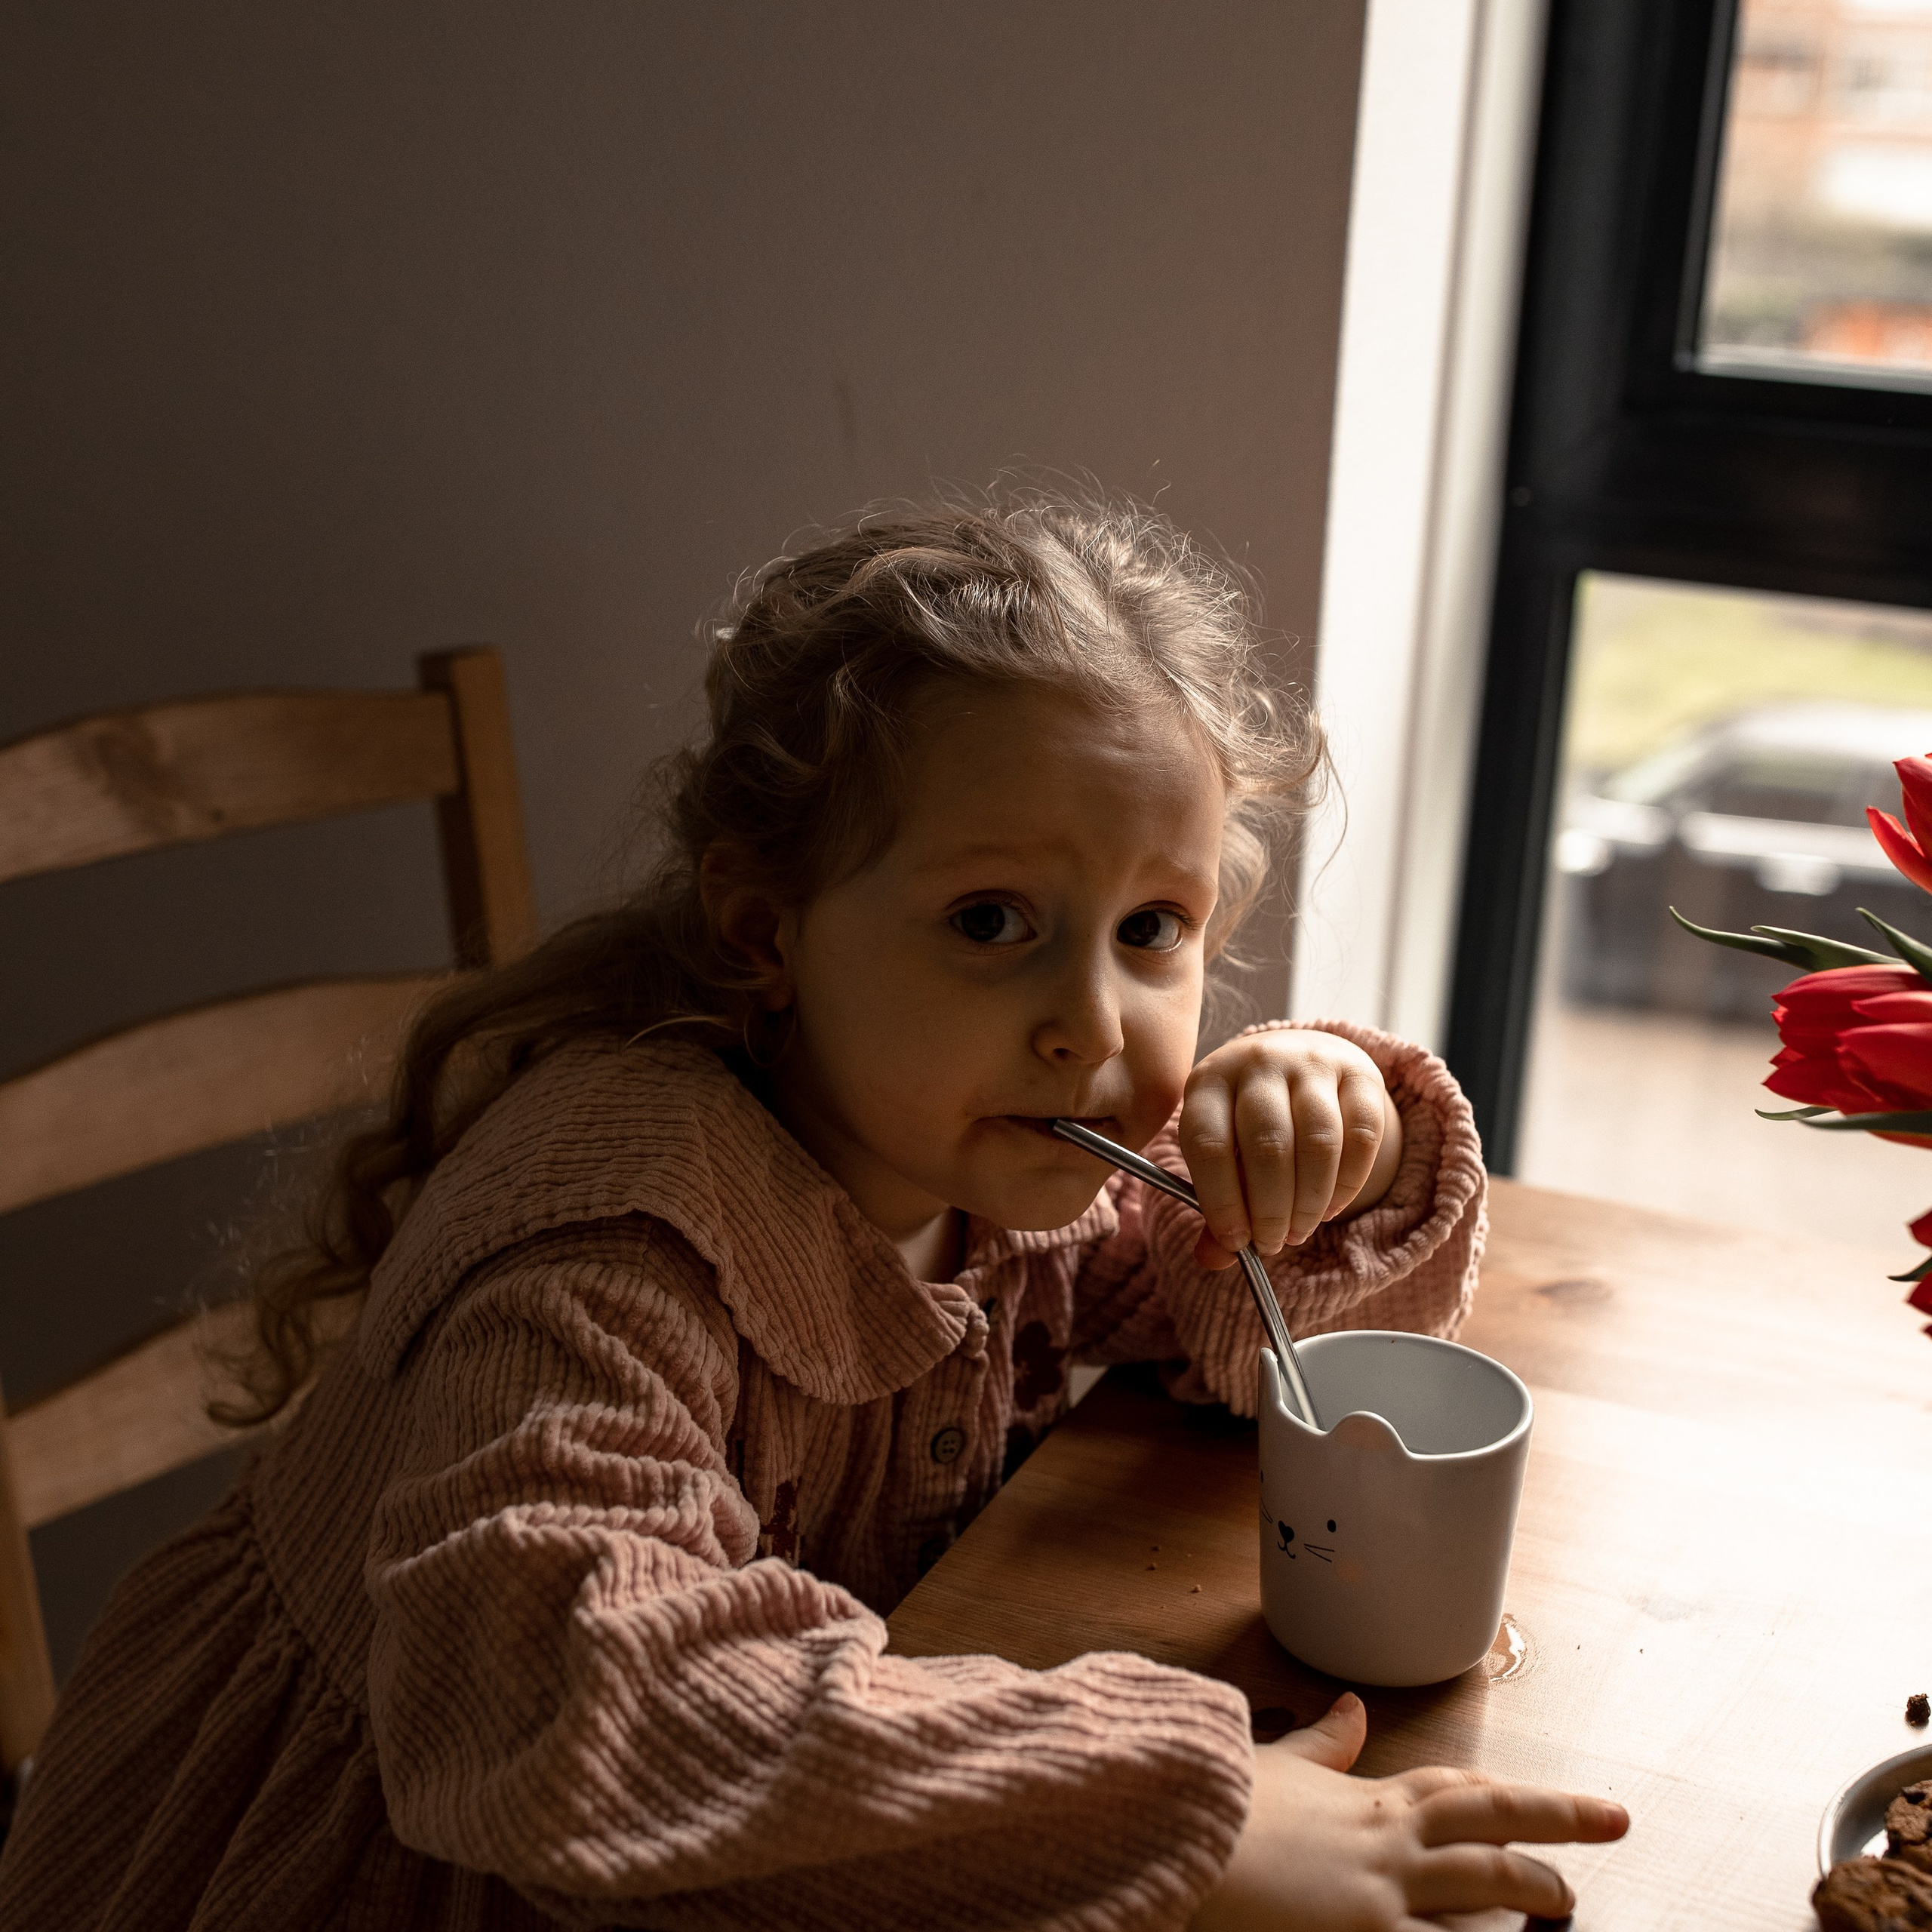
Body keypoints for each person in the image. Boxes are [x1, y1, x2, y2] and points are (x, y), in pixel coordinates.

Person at [0, 489, 1627, 1929]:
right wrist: (1189, 1815)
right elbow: (567, 1706)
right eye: (990, 919)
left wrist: (1326, 1133)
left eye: (1152, 928)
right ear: (766, 928)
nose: (1092, 1020)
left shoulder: (985, 1151)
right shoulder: (611, 1243)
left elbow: (1228, 1330)